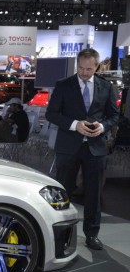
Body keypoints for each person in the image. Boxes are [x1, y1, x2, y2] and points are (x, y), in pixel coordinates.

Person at [46, 48, 119, 251]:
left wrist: (103, 126)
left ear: (97, 66)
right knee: (62, 193)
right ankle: (59, 236)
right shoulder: (63, 85)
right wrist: (74, 124)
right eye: (80, 68)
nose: (84, 73)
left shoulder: (106, 87)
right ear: (76, 65)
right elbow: (52, 114)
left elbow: (114, 116)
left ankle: (92, 234)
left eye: (88, 69)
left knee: (94, 194)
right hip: (68, 146)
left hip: (96, 148)